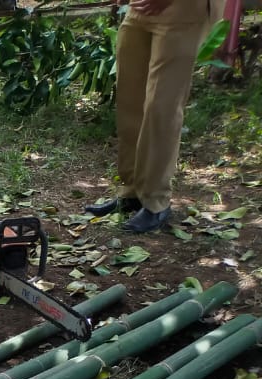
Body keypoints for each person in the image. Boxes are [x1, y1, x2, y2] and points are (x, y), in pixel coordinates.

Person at [85, 0, 225, 233]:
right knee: (130, 99)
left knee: (162, 107)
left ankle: (156, 200)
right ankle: (132, 191)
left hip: (183, 9)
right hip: (139, 8)